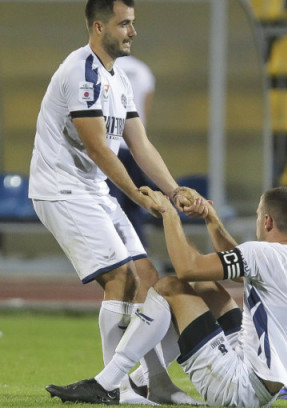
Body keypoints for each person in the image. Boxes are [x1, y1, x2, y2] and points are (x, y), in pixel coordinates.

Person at [28, 0, 199, 404]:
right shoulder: (81, 73)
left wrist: (174, 190)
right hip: (62, 189)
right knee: (121, 278)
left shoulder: (118, 79)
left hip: (93, 189)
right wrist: (138, 196)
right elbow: (98, 149)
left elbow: (139, 145)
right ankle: (117, 390)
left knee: (147, 277)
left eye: (133, 23)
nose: (133, 32)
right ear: (99, 27)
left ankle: (155, 383)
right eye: (124, 24)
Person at [45, 186, 287, 407]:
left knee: (170, 286)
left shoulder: (263, 254)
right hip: (264, 386)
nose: (259, 220)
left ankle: (108, 384)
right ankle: (156, 382)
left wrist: (168, 213)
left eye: (259, 215)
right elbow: (239, 271)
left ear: (267, 221)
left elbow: (188, 268)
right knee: (206, 287)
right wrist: (211, 218)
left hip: (238, 387)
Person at [107, 55, 156, 247]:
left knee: (111, 199)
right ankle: (138, 248)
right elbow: (145, 110)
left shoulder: (102, 68)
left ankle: (115, 249)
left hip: (110, 144)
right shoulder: (142, 70)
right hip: (134, 145)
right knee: (134, 199)